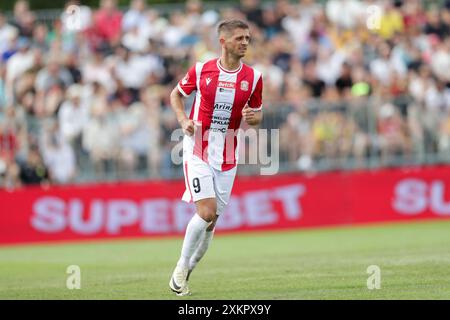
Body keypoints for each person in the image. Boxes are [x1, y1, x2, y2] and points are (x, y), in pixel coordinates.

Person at [168, 19, 263, 296]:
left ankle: (188, 271)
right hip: (197, 147)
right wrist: (183, 119)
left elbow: (257, 114)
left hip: (228, 154)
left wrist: (254, 118)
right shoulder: (201, 70)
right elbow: (176, 94)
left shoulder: (254, 78)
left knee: (211, 223)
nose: (245, 42)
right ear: (223, 42)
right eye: (239, 38)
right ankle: (180, 266)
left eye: (247, 38)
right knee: (205, 211)